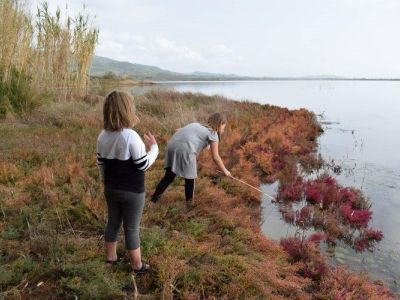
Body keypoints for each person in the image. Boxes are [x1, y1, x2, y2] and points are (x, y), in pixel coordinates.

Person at [97, 91, 158, 274]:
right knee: (131, 228)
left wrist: (105, 182)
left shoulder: (102, 136)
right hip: (133, 191)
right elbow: (143, 165)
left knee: (113, 223)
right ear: (127, 110)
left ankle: (111, 259)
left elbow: (101, 164)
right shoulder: (131, 136)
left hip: (111, 188)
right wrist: (154, 148)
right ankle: (137, 266)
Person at [151, 112, 231, 203]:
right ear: (220, 124)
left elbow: (178, 130)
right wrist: (225, 171)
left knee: (169, 176)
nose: (224, 129)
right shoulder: (213, 133)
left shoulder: (195, 124)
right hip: (185, 151)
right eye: (224, 127)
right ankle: (189, 207)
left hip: (172, 146)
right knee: (190, 180)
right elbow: (216, 157)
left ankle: (153, 201)